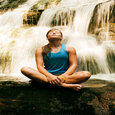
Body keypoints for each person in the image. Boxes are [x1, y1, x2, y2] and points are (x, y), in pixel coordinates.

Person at [21, 28, 91, 91]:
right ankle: (64, 85)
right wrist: (50, 76)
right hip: (47, 76)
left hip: (65, 77)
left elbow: (74, 65)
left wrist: (63, 76)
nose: (54, 33)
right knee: (25, 69)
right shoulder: (40, 50)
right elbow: (40, 66)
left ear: (61, 37)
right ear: (47, 37)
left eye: (57, 32)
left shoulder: (70, 49)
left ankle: (49, 83)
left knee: (86, 74)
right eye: (51, 32)